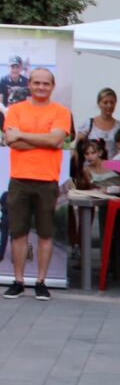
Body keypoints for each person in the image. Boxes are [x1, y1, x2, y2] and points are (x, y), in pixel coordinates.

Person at [2, 68, 73, 300]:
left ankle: (41, 282)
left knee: (45, 233)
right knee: (18, 233)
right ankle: (19, 281)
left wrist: (25, 135)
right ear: (29, 85)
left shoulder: (61, 112)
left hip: (47, 181)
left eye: (46, 83)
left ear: (52, 86)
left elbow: (57, 139)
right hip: (19, 179)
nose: (41, 87)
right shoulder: (15, 110)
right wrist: (46, 141)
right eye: (37, 83)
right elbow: (12, 141)